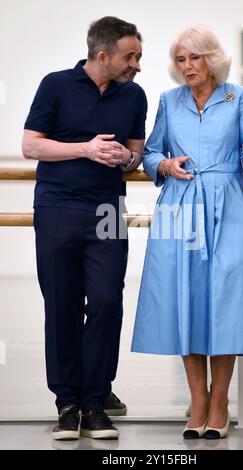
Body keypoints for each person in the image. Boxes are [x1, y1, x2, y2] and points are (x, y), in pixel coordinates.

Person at [131, 25, 243, 440]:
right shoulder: (169, 100)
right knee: (184, 298)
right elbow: (153, 149)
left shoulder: (238, 97)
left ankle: (220, 401)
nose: (187, 66)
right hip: (180, 202)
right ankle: (197, 399)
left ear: (211, 59)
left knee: (225, 301)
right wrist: (163, 165)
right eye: (180, 59)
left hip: (228, 203)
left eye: (194, 57)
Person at [22, 16, 147, 440]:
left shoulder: (134, 96)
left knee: (109, 301)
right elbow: (31, 145)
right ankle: (68, 404)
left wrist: (124, 160)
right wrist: (87, 149)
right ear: (102, 55)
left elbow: (136, 153)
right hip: (57, 207)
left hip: (108, 209)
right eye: (131, 56)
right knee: (62, 303)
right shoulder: (55, 85)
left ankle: (96, 402)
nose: (136, 64)